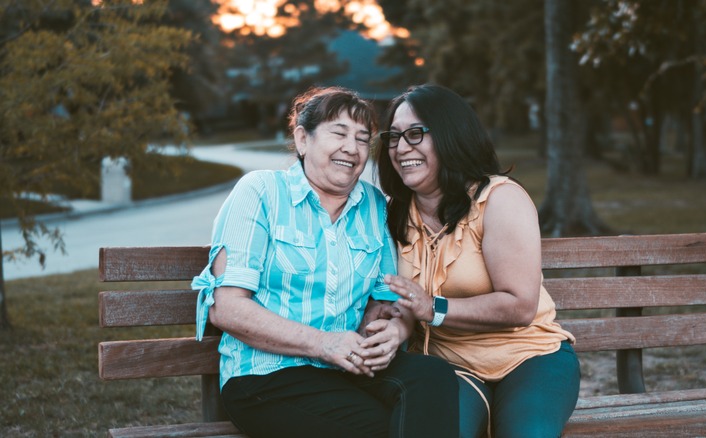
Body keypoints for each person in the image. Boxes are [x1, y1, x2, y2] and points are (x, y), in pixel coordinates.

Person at [192, 86, 459, 438]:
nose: (352, 148)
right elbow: (227, 309)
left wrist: (388, 332)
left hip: (347, 368)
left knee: (432, 376)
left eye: (363, 139)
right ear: (303, 139)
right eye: (339, 133)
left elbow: (385, 299)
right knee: (382, 427)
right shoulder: (261, 192)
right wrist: (323, 343)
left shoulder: (374, 205)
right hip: (267, 377)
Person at [376, 84, 580, 438]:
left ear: (450, 136)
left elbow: (519, 306)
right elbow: (402, 301)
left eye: (415, 134)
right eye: (393, 137)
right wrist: (392, 324)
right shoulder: (394, 213)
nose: (401, 147)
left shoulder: (498, 199)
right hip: (448, 367)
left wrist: (433, 308)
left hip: (529, 358)